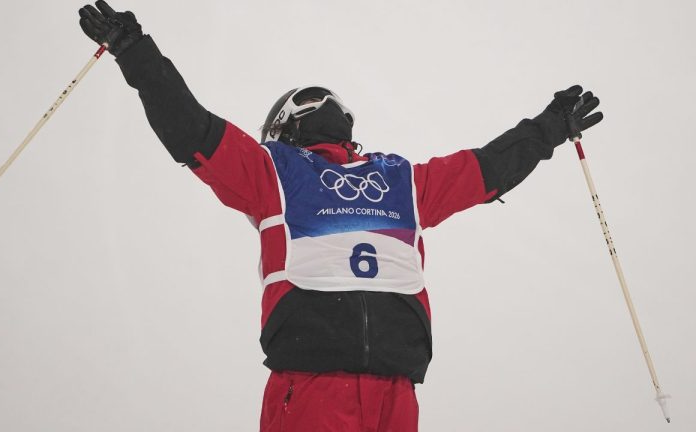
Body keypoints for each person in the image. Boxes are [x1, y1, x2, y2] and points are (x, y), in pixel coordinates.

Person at [78, 2, 603, 431]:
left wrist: (136, 53)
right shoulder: (402, 181)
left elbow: (191, 130)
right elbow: (487, 169)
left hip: (316, 387)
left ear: (283, 128)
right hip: (389, 391)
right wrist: (549, 127)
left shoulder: (273, 171)